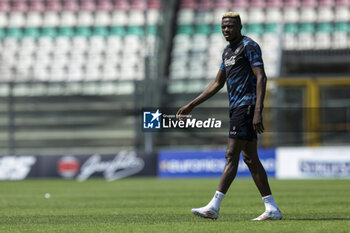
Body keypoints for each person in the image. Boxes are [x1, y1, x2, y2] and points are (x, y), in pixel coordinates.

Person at [176, 12, 282, 221]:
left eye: (231, 26)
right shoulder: (227, 52)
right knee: (250, 158)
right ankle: (271, 208)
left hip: (247, 107)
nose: (226, 30)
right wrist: (191, 105)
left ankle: (214, 206)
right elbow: (217, 83)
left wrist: (258, 110)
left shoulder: (249, 46)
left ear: (240, 26)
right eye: (224, 27)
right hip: (236, 108)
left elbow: (261, 76)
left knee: (231, 154)